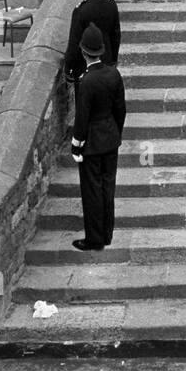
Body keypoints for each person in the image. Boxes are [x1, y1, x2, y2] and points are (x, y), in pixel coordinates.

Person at [70, 23, 127, 252]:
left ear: (84, 53)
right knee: (107, 187)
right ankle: (106, 232)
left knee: (92, 191)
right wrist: (115, 132)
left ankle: (95, 238)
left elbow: (82, 118)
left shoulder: (86, 81)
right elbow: (120, 109)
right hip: (110, 137)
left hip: (92, 143)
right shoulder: (114, 74)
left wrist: (76, 144)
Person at [64, 0, 121, 82]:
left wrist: (68, 67)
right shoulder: (110, 5)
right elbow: (115, 36)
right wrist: (113, 60)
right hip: (107, 60)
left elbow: (74, 42)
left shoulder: (80, 10)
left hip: (85, 66)